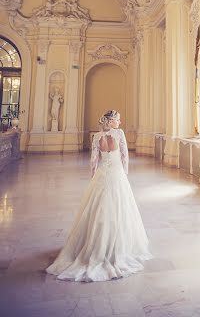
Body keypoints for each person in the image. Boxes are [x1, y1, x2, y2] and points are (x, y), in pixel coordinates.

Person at [45, 109, 152, 282]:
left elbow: (94, 160)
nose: (119, 123)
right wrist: (124, 173)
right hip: (117, 174)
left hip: (102, 174)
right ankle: (115, 246)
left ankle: (94, 245)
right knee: (119, 210)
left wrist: (94, 177)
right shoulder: (119, 134)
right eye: (117, 120)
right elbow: (125, 156)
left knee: (96, 210)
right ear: (110, 122)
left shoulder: (96, 137)